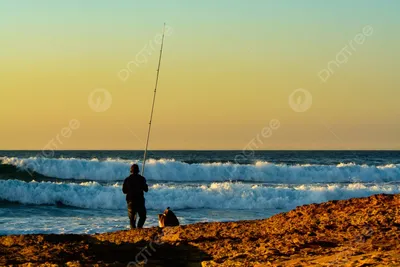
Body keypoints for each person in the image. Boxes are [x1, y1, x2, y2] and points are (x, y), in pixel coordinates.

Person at [122, 164, 148, 229]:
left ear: (131, 171)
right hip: (140, 201)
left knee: (132, 219)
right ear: (138, 171)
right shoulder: (142, 179)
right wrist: (144, 184)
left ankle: (133, 230)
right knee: (143, 217)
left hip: (130, 201)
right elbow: (146, 189)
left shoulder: (127, 179)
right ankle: (139, 227)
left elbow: (124, 191)